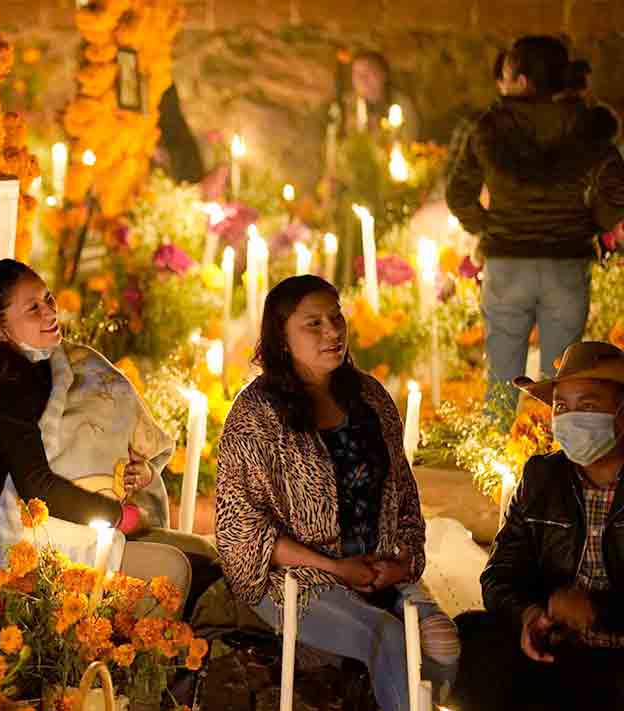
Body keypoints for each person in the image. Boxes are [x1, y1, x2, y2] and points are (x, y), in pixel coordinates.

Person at [0, 260, 222, 619]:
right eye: (32, 308)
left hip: (79, 519)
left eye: (48, 299)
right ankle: (141, 664)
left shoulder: (56, 367)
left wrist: (135, 472)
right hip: (18, 544)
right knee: (175, 569)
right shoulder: (3, 390)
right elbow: (36, 486)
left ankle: (196, 662)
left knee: (207, 556)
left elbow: (88, 444)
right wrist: (118, 515)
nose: (49, 310)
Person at [215, 275, 459, 711]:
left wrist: (403, 559)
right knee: (387, 639)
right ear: (282, 338)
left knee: (444, 646)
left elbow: (402, 491)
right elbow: (241, 529)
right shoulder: (255, 414)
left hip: (379, 566)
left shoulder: (370, 396)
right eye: (314, 324)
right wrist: (335, 567)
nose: (333, 331)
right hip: (297, 578)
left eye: (336, 317)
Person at [446, 36, 624, 419]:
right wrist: (591, 224)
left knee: (502, 378)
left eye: (507, 76)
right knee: (560, 380)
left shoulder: (490, 127)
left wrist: (491, 226)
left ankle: (496, 463)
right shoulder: (587, 125)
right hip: (567, 263)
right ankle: (550, 462)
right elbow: (616, 189)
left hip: (508, 262)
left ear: (523, 81)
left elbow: (458, 193)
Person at [453, 341, 624, 711]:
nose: (571, 418)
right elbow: (499, 576)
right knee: (470, 637)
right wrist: (529, 614)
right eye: (561, 406)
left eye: (588, 406)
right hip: (558, 647)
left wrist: (597, 611)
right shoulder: (542, 477)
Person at [347, 51, 419, 142]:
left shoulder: (402, 105)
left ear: (383, 74)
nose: (362, 78)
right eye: (356, 73)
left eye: (368, 71)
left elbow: (407, 139)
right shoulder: (347, 105)